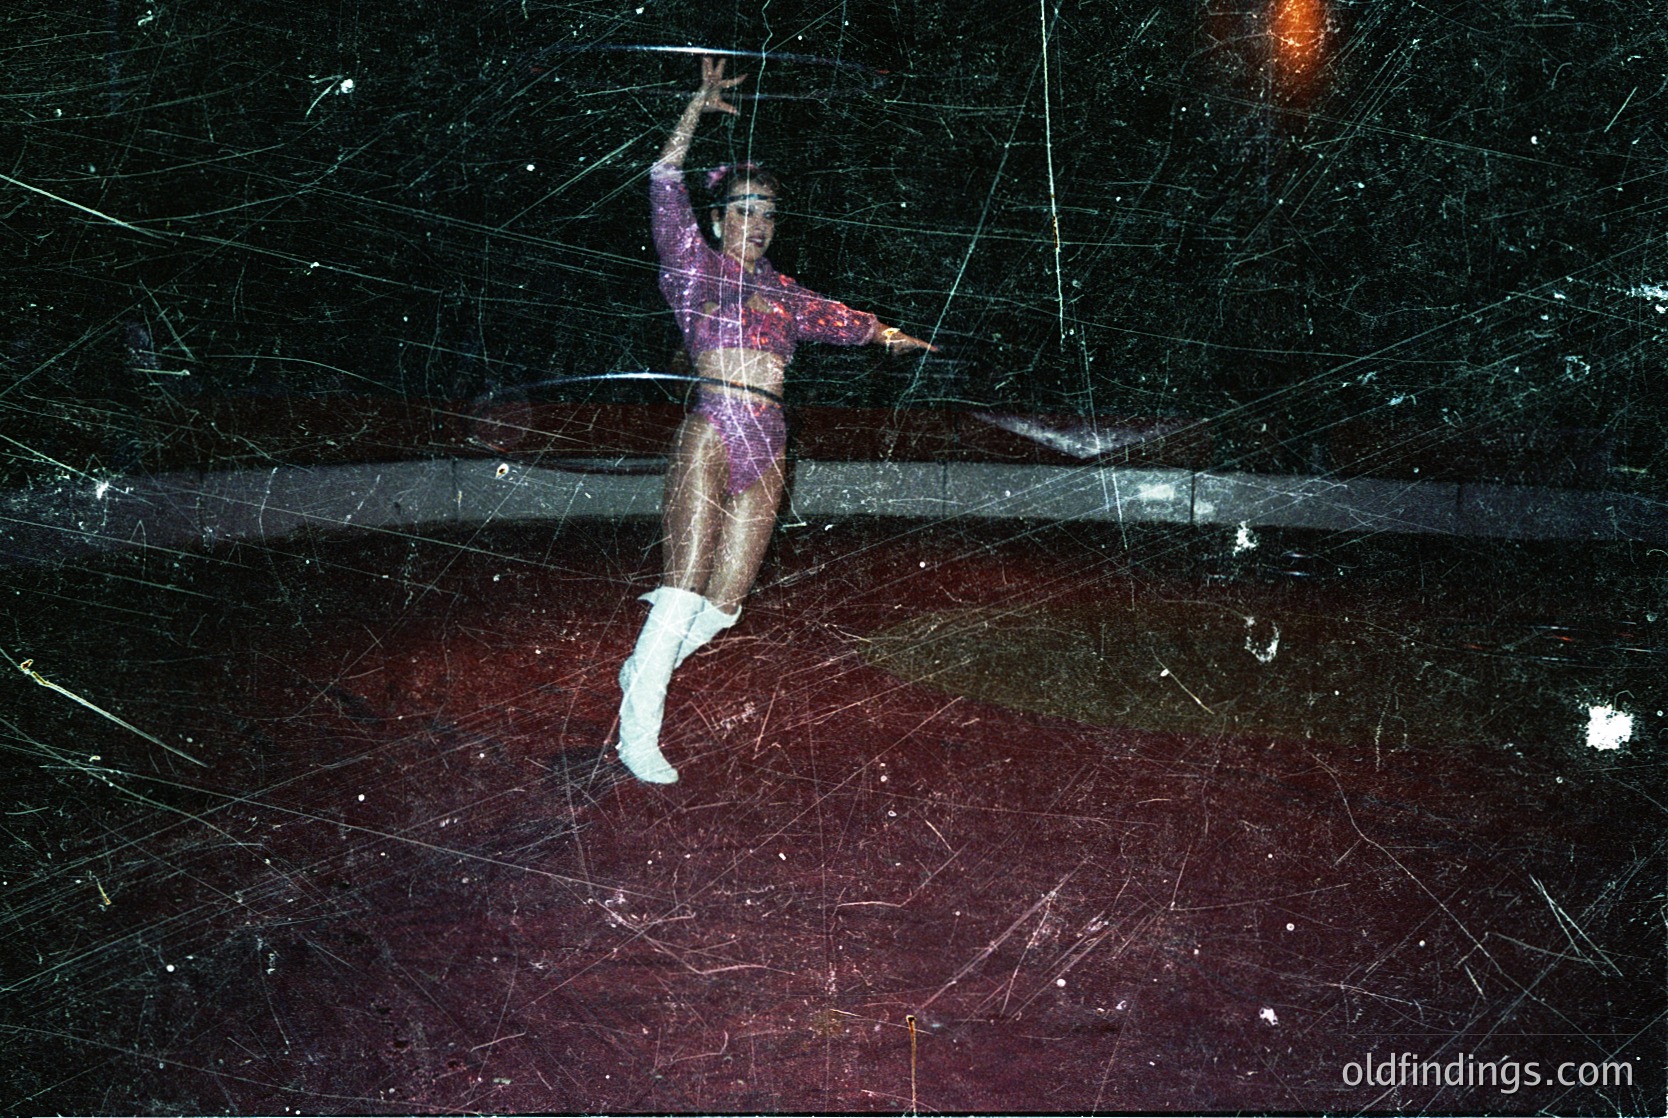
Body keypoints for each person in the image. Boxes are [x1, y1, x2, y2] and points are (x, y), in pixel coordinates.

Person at [614, 56, 933, 783]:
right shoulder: (691, 264)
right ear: (720, 217)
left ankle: (643, 666)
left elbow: (847, 321)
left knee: (724, 607)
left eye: (767, 214)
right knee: (683, 583)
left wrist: (899, 337)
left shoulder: (786, 291)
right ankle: (640, 734)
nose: (756, 225)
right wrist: (696, 108)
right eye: (743, 211)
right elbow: (664, 180)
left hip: (771, 441)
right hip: (713, 429)